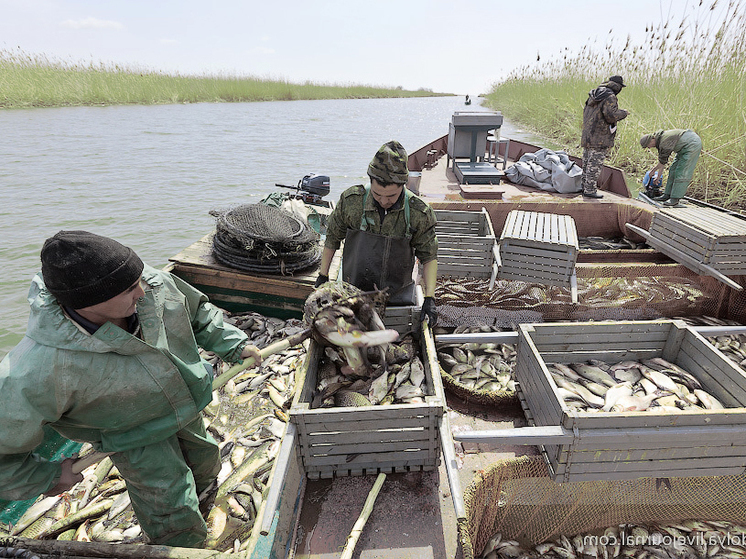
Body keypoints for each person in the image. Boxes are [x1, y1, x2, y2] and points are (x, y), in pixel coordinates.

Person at [0, 231, 262, 548]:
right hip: (131, 436)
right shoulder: (36, 369)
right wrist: (46, 477)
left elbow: (196, 313)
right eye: (128, 289)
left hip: (186, 406)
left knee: (206, 462)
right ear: (87, 302)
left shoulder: (148, 283)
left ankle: (205, 496)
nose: (142, 290)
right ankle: (181, 548)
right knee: (168, 503)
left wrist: (234, 344)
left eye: (138, 279)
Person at [314, 140, 439, 326]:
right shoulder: (351, 201)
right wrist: (323, 276)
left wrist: (430, 298)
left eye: (391, 196)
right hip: (352, 299)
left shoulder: (419, 213)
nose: (383, 201)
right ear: (370, 181)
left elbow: (429, 257)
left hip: (398, 300)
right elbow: (332, 237)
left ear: (403, 185)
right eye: (377, 194)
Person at [580, 75, 629, 199]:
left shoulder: (593, 94)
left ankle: (583, 187)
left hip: (588, 135)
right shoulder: (610, 97)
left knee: (586, 162)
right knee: (594, 164)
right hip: (600, 137)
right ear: (617, 87)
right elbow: (610, 115)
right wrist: (623, 113)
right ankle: (590, 190)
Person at [640, 129, 702, 207]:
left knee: (682, 171)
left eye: (648, 145)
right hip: (682, 148)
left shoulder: (664, 142)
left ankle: (675, 199)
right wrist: (658, 176)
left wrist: (653, 171)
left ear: (652, 139)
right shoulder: (659, 140)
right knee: (672, 169)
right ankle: (667, 195)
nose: (649, 148)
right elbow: (663, 161)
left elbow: (662, 163)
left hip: (692, 144)